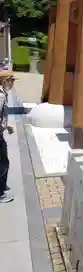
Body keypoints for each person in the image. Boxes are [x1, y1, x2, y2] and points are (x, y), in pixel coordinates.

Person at [0, 71, 16, 203]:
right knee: (3, 163)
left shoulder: (2, 94)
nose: (12, 84)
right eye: (11, 81)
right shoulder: (0, 96)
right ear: (5, 81)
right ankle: (0, 194)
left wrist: (6, 126)